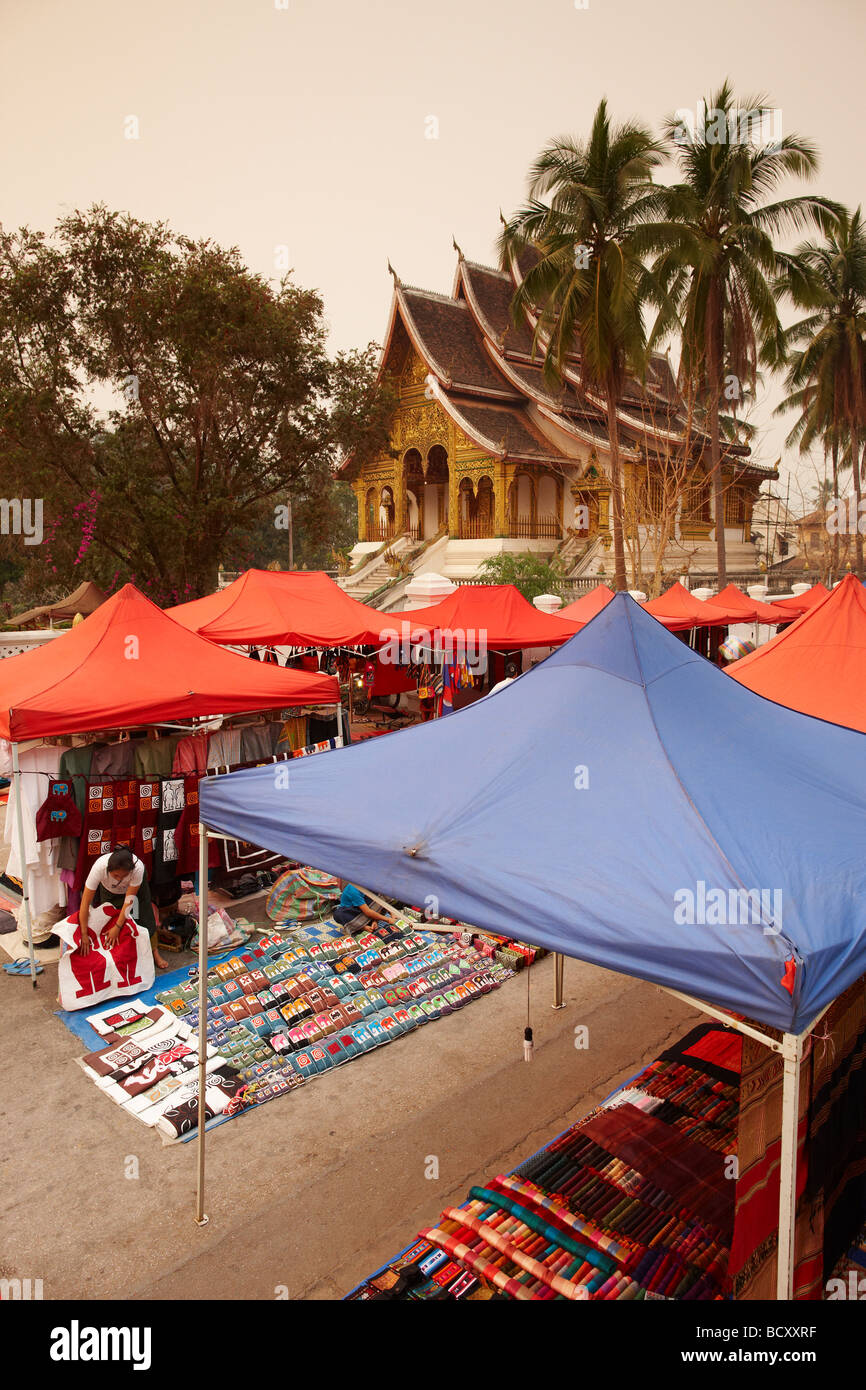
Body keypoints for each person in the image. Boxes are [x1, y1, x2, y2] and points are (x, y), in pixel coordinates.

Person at [78, 847, 166, 969]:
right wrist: (83, 933)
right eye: (116, 875)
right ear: (108, 870)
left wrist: (118, 927)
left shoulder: (138, 869)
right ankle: (122, 955)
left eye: (124, 875)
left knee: (143, 918)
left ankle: (154, 952)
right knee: (109, 919)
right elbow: (85, 903)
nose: (119, 879)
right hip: (109, 891)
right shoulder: (99, 868)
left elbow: (129, 901)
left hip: (134, 893)